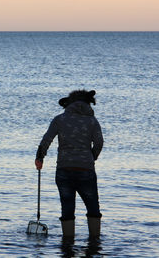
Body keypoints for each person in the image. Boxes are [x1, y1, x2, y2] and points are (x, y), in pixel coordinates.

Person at [35, 89, 104, 238]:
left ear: (69, 103)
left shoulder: (59, 119)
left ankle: (67, 244)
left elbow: (46, 140)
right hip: (86, 170)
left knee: (67, 209)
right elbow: (99, 143)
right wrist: (91, 157)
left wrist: (39, 158)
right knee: (93, 208)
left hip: (64, 170)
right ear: (88, 104)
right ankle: (95, 244)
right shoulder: (92, 121)